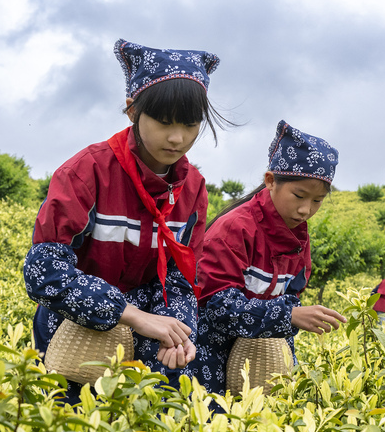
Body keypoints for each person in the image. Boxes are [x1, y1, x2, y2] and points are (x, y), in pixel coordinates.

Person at [23, 39, 229, 396]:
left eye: (190, 123)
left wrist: (179, 332)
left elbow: (181, 279)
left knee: (177, 412)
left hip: (150, 326)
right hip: (76, 324)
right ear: (133, 111)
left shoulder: (192, 188)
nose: (177, 137)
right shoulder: (87, 172)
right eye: (163, 122)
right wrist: (130, 314)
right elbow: (44, 272)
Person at [194, 120, 346, 395]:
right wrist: (288, 315)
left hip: (263, 357)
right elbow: (216, 305)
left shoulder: (298, 235)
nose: (305, 209)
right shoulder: (235, 228)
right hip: (212, 355)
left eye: (317, 201)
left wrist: (293, 314)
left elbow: (293, 292)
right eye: (299, 195)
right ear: (271, 181)